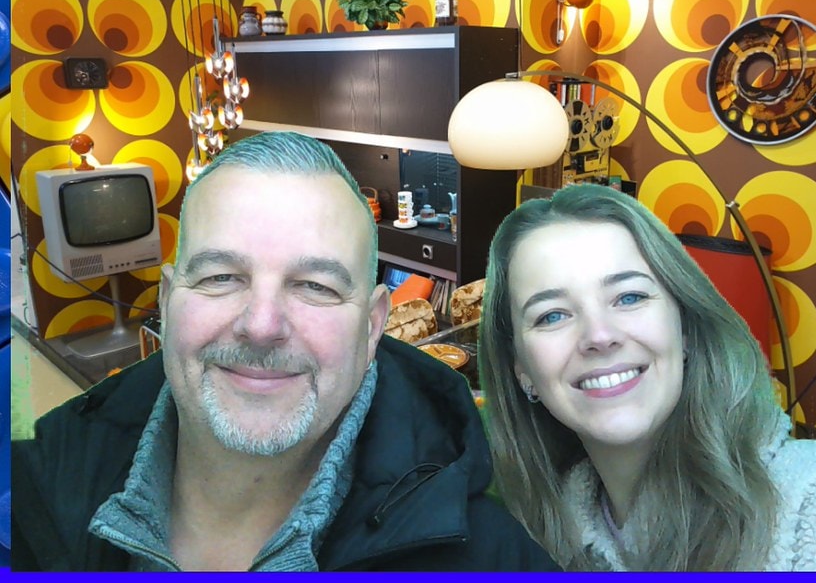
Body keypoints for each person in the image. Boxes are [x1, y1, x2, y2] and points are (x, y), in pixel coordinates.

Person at [12, 131, 558, 572]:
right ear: (168, 300)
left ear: (372, 327)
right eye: (221, 276)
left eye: (315, 286)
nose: (261, 325)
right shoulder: (32, 497)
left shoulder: (490, 559)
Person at [477, 184, 816, 572]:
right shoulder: (529, 529)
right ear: (521, 369)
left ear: (686, 326)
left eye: (630, 297)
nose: (599, 336)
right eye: (552, 315)